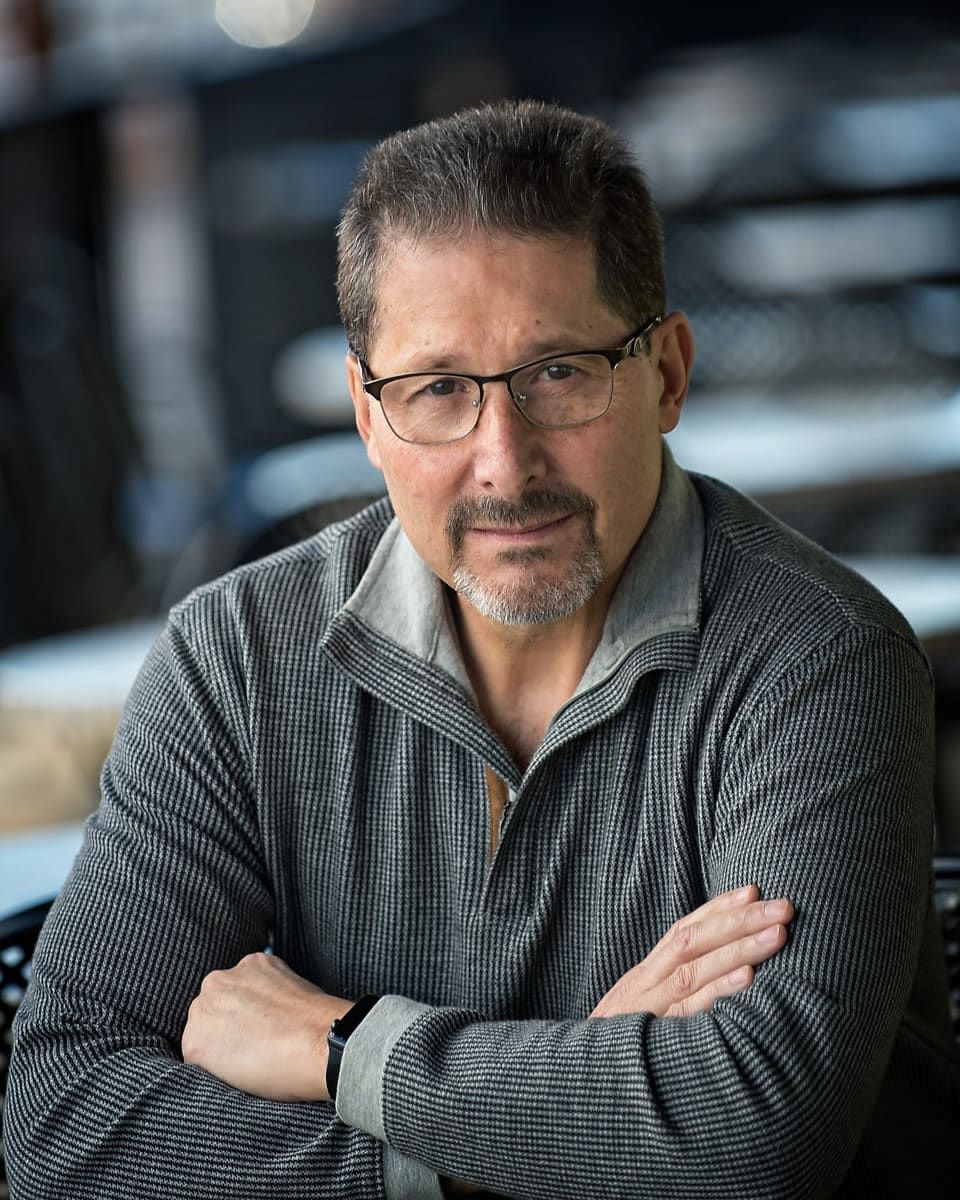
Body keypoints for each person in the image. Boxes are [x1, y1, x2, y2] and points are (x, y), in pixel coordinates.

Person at [5, 100, 958, 1200]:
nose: (505, 462)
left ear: (667, 374)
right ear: (367, 415)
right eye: (438, 389)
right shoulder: (234, 663)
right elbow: (63, 1127)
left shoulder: (819, 660)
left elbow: (756, 1135)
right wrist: (523, 1139)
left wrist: (340, 1047)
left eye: (560, 372)